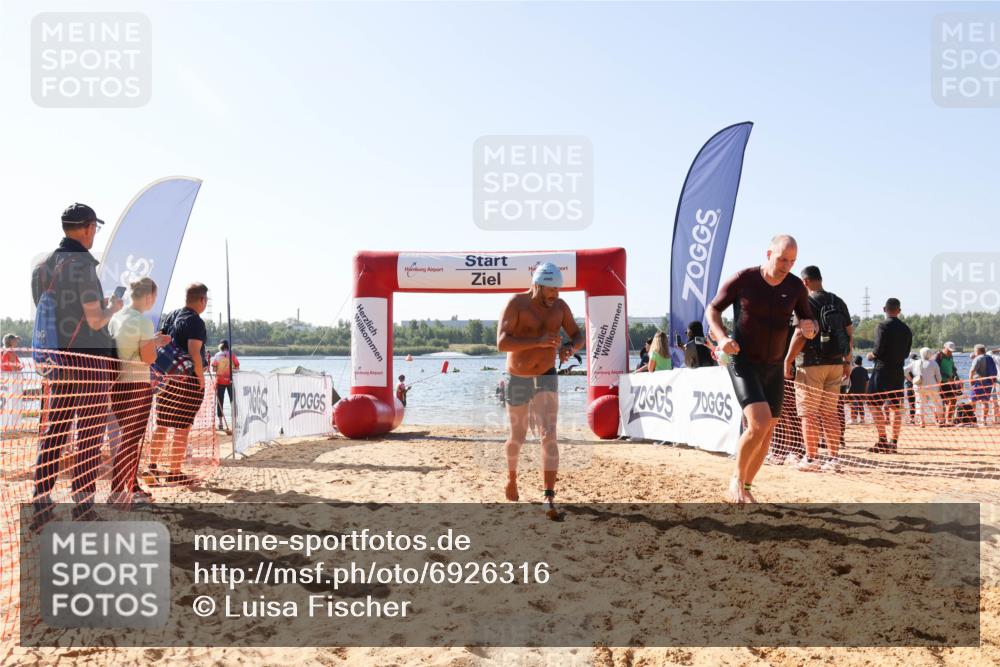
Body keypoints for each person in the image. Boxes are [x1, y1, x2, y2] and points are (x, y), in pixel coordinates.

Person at [30, 203, 123, 524]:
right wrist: (113, 307)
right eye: (94, 227)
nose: (95, 233)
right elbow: (96, 320)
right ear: (86, 228)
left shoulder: (42, 267)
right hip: (89, 363)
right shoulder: (82, 266)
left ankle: (40, 505)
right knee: (89, 437)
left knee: (54, 433)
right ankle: (83, 508)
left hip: (56, 361)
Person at [707, 235, 816, 503]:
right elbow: (713, 309)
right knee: (759, 422)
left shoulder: (795, 287)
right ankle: (735, 480)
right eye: (782, 259)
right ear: (768, 253)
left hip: (774, 366)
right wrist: (722, 338)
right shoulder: (743, 279)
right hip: (743, 360)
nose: (786, 266)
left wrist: (810, 328)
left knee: (768, 430)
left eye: (792, 261)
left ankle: (747, 487)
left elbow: (808, 320)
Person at [497, 262, 584, 519]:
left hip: (546, 374)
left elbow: (577, 334)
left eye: (557, 291)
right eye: (550, 291)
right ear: (536, 285)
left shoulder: (560, 307)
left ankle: (549, 497)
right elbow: (501, 343)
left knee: (550, 434)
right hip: (518, 377)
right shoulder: (516, 303)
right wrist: (537, 341)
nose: (554, 296)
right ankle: (512, 478)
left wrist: (571, 348)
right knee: (519, 436)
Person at [783, 265, 853, 472]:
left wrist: (788, 360)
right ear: (820, 279)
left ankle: (811, 458)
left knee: (809, 414)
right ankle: (833, 459)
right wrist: (847, 362)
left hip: (811, 364)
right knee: (830, 414)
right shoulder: (838, 301)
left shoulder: (806, 302)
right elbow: (849, 334)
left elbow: (799, 334)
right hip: (836, 363)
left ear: (805, 282)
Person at [108, 277, 171, 504]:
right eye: (154, 296)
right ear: (149, 296)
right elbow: (147, 358)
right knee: (130, 441)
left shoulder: (116, 317)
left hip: (117, 385)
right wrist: (155, 344)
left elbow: (126, 347)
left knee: (127, 439)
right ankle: (117, 491)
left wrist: (151, 341)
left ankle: (132, 486)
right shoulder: (143, 322)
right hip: (137, 384)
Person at [147, 283, 209, 485]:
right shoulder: (196, 322)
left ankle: (152, 466)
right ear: (202, 300)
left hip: (166, 379)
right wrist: (200, 379)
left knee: (162, 424)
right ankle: (174, 471)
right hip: (187, 382)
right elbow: (194, 353)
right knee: (182, 427)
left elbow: (159, 341)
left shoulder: (171, 315)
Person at [866, 298, 913, 453]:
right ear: (899, 310)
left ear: (884, 309)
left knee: (873, 404)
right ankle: (894, 443)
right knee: (896, 407)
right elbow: (906, 353)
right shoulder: (906, 329)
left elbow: (878, 350)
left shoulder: (882, 326)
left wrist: (870, 355)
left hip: (881, 369)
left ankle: (882, 440)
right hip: (898, 371)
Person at [211, 340, 239, 430]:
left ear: (220, 346)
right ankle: (235, 422)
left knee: (220, 402)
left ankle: (220, 423)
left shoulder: (217, 355)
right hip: (230, 381)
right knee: (233, 402)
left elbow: (214, 369)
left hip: (220, 381)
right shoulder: (232, 354)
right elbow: (237, 367)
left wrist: (219, 368)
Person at [911, 347, 942, 428]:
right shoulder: (934, 363)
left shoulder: (915, 362)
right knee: (937, 403)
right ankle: (940, 421)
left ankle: (922, 422)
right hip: (932, 386)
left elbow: (905, 371)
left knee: (920, 404)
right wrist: (938, 385)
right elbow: (939, 378)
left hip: (919, 387)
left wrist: (912, 379)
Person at [969, 344, 998, 426]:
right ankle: (983, 420)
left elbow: (972, 371)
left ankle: (972, 419)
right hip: (989, 383)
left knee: (972, 401)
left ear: (977, 351)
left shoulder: (978, 358)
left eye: (975, 351)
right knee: (985, 402)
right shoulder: (990, 357)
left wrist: (971, 381)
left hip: (978, 383)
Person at [936, 342, 961, 426]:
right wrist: (946, 377)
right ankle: (939, 421)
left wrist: (957, 377)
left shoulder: (951, 356)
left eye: (952, 351)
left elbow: (953, 368)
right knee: (940, 402)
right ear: (944, 347)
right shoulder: (938, 356)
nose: (951, 352)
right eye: (949, 350)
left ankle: (948, 420)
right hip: (941, 382)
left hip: (950, 382)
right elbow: (936, 370)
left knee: (953, 399)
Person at [847, 356, 869, 424]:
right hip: (862, 390)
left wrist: (847, 391)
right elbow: (867, 382)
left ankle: (854, 419)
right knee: (860, 404)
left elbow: (848, 381)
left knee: (854, 405)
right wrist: (866, 393)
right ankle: (862, 419)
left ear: (854, 362)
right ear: (861, 362)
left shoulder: (852, 370)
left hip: (853, 390)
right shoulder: (865, 370)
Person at [903, 353, 919, 424]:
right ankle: (915, 419)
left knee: (911, 403)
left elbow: (904, 373)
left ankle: (912, 419)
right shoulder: (918, 366)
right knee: (917, 402)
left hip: (909, 386)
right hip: (917, 385)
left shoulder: (909, 366)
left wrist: (910, 380)